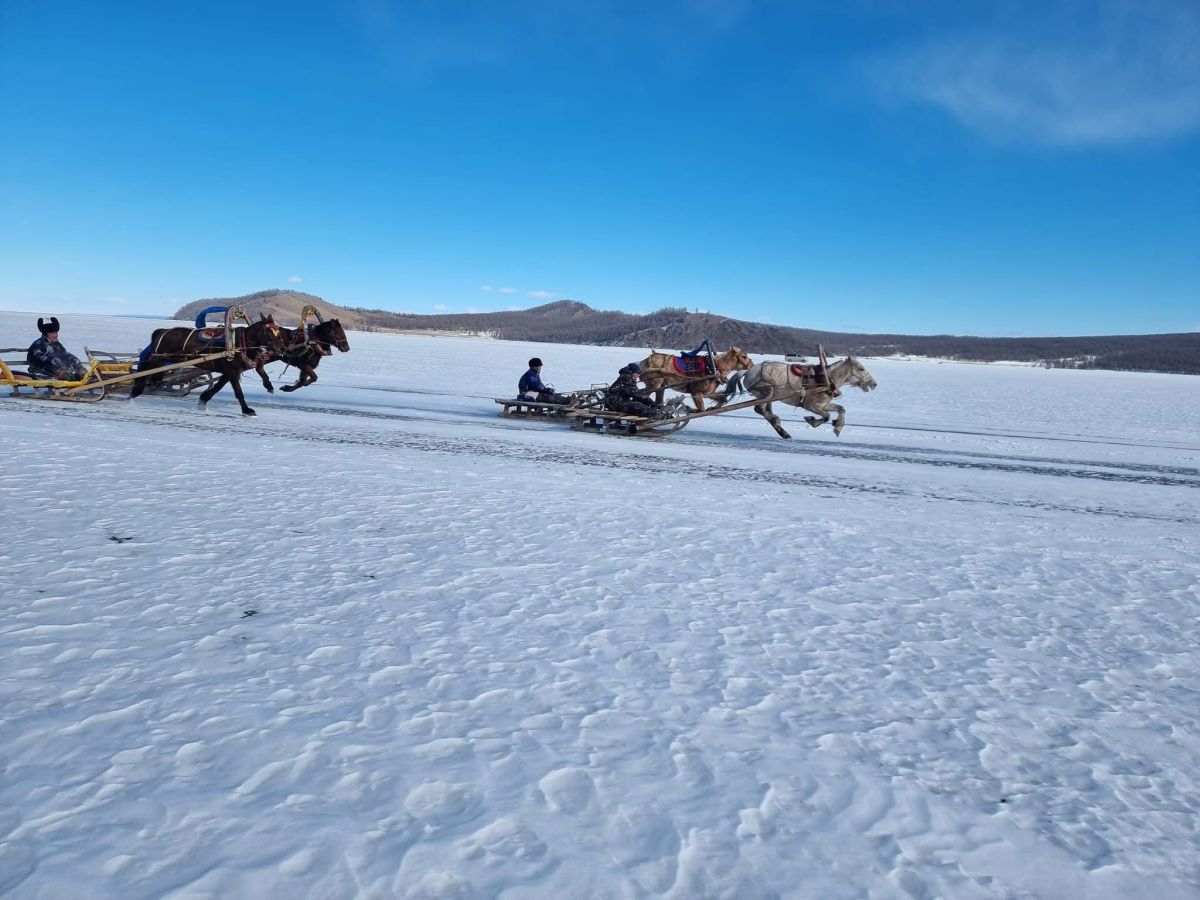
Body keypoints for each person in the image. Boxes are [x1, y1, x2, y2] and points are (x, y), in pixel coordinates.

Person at [27, 317, 86, 381]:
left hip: (59, 368)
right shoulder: (38, 344)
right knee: (54, 366)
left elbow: (64, 354)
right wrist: (52, 360)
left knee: (73, 360)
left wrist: (74, 360)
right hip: (42, 368)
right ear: (46, 334)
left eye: (56, 332)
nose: (56, 335)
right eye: (53, 333)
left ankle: (84, 374)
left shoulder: (57, 344)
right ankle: (70, 377)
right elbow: (36, 358)